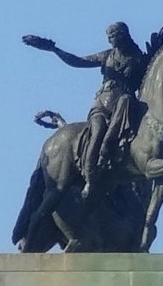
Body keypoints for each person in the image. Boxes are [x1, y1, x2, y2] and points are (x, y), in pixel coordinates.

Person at [22, 21, 152, 183]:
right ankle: (90, 175)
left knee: (127, 104)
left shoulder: (137, 58)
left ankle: (119, 156)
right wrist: (54, 49)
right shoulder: (107, 56)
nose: (109, 40)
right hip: (102, 105)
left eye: (112, 36)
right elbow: (78, 61)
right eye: (108, 37)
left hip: (126, 108)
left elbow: (149, 80)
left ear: (122, 35)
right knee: (97, 132)